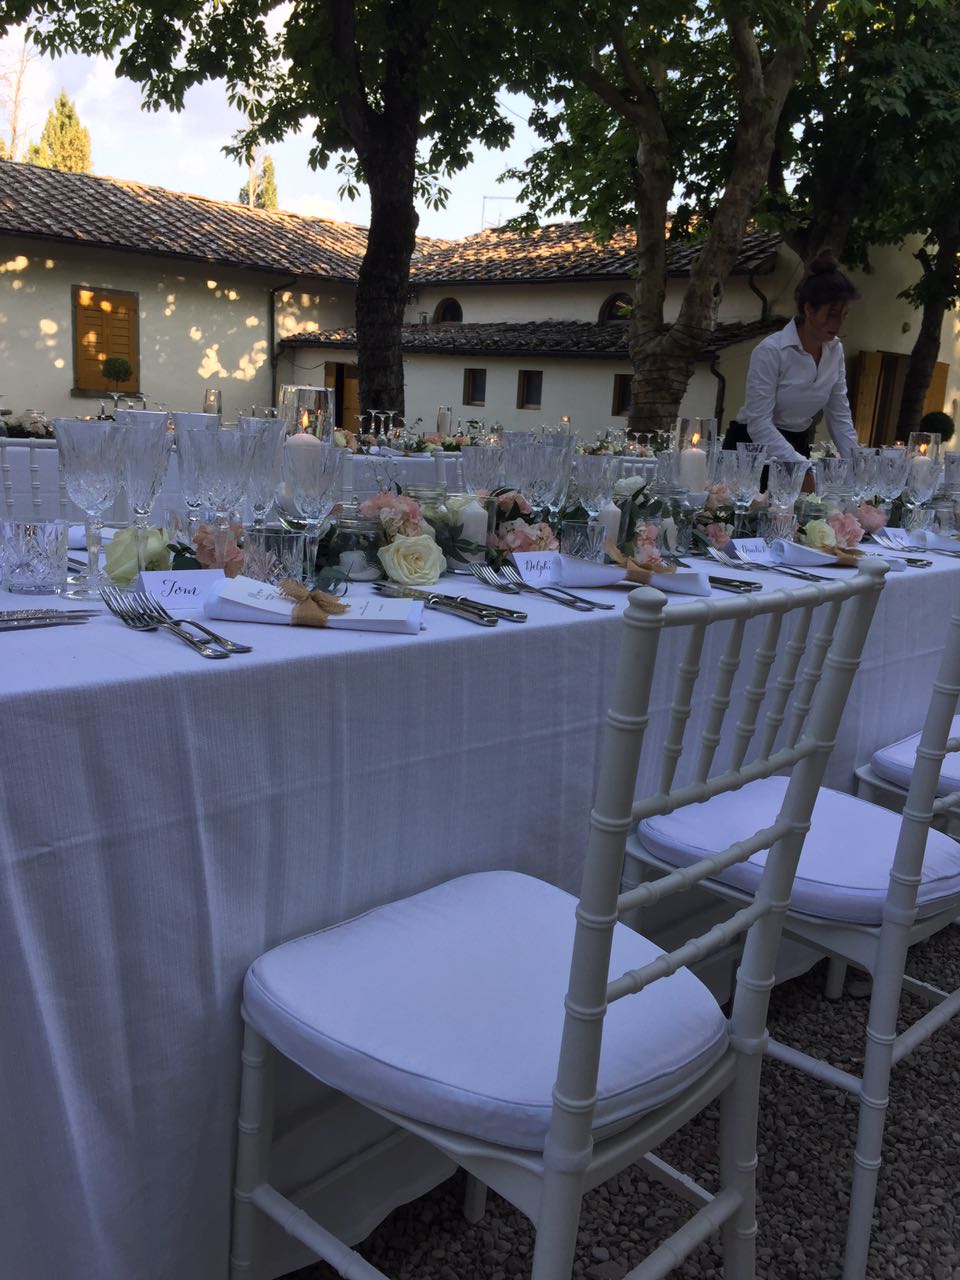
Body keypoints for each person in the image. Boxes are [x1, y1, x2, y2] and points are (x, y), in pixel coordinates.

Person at [723, 249, 861, 462]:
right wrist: (800, 465)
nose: (838, 323)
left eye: (844, 315)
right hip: (750, 450)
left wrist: (857, 464)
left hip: (796, 445)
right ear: (809, 310)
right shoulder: (772, 351)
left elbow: (839, 416)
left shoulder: (835, 351)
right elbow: (758, 423)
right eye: (831, 314)